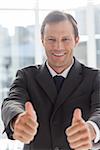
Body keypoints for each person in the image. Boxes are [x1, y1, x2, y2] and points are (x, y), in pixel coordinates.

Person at [1, 10, 100, 150]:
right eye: (51, 39)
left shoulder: (95, 77)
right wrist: (17, 118)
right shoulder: (26, 76)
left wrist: (91, 129)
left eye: (65, 39)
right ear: (42, 40)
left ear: (76, 40)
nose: (58, 47)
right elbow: (12, 101)